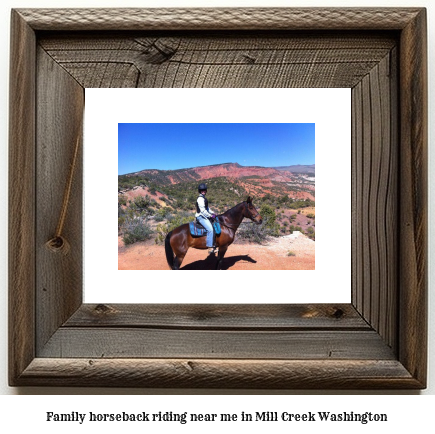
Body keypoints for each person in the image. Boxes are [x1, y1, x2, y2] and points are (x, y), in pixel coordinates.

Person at [195, 183, 216, 253]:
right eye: (202, 190)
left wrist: (213, 213)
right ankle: (210, 247)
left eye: (204, 190)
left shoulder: (204, 198)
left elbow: (207, 208)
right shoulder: (200, 199)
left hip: (204, 215)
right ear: (200, 191)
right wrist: (210, 216)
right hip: (201, 217)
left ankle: (215, 244)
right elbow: (203, 211)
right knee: (210, 229)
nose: (203, 191)